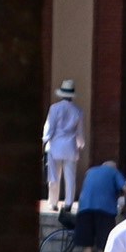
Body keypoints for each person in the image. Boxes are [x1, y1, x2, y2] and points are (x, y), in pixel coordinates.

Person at [60, 153, 125, 252]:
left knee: (87, 246)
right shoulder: (114, 172)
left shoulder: (90, 172)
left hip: (84, 210)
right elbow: (125, 188)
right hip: (105, 211)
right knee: (103, 246)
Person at [42, 79, 85, 214]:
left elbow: (50, 127)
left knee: (54, 176)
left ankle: (53, 202)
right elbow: (80, 132)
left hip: (55, 145)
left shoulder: (54, 108)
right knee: (70, 177)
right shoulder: (78, 111)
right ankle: (68, 203)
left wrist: (45, 139)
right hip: (70, 146)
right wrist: (80, 144)